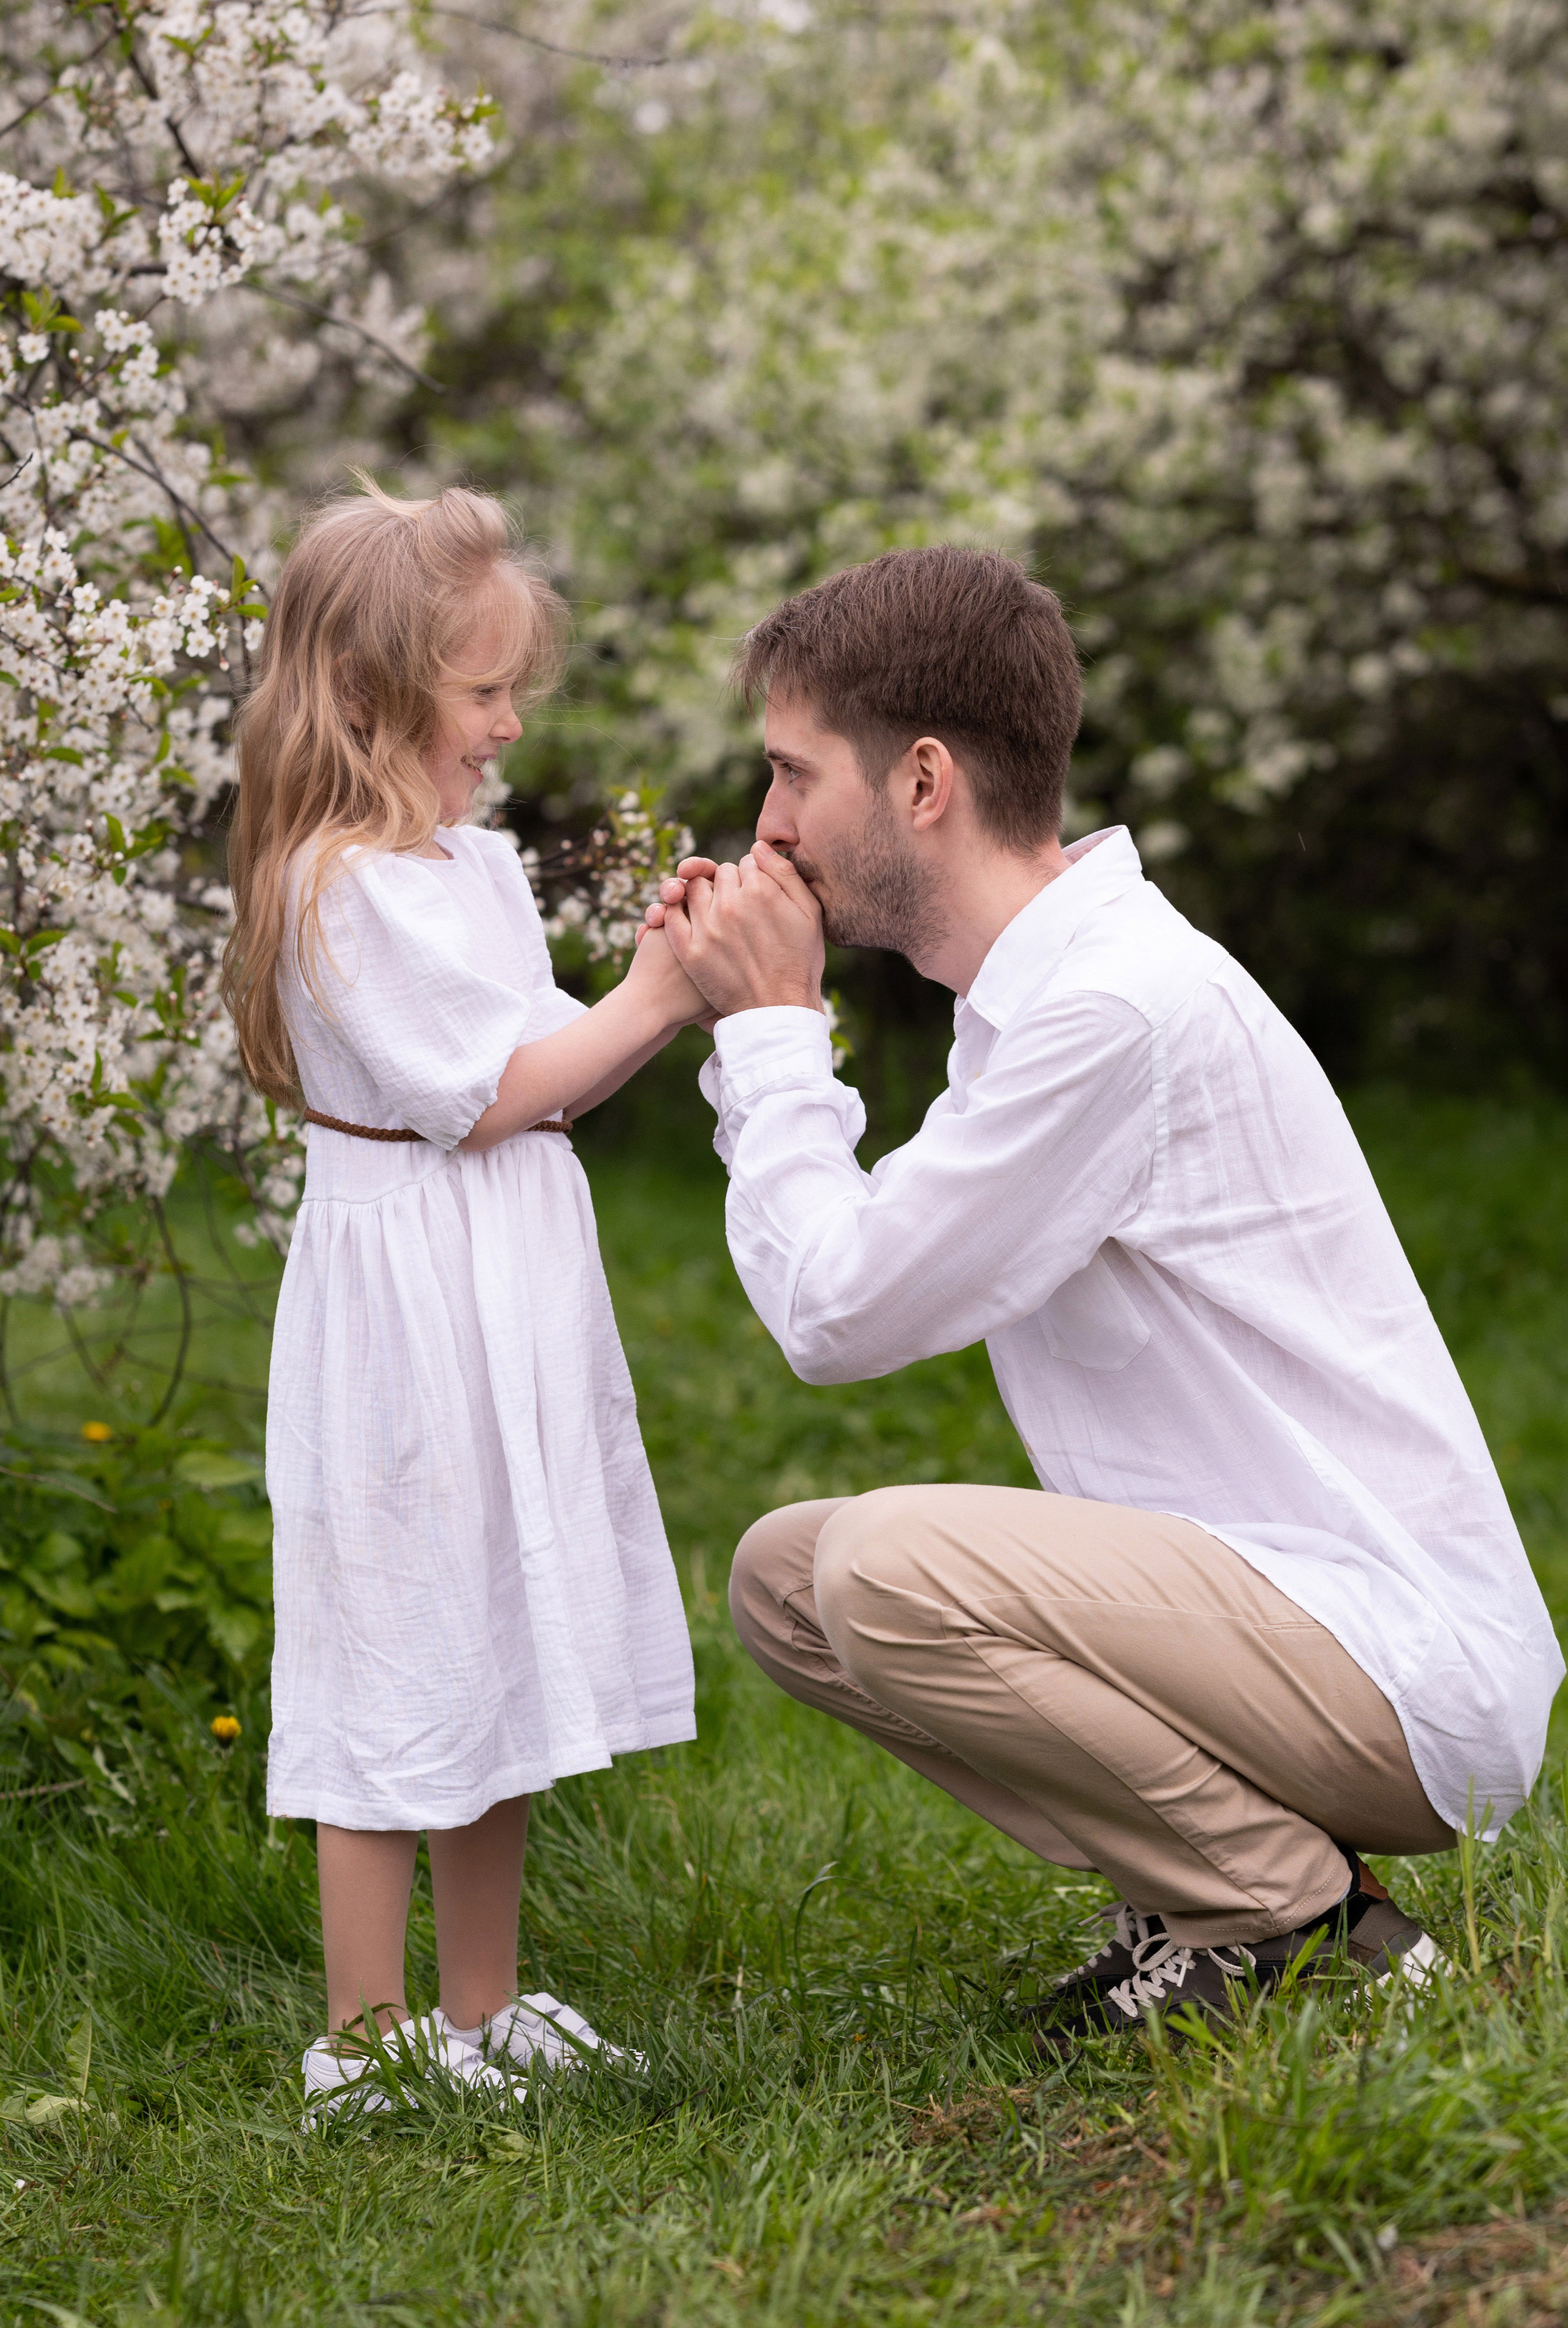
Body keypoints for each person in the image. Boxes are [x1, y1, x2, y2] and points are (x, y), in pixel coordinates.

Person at [650, 544, 1563, 2039]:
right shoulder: (1037, 999)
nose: (767, 823)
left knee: (883, 1571)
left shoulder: (1114, 1013)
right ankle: (1202, 1906)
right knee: (789, 1581)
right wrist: (763, 1036)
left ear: (924, 782)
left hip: (1397, 1665)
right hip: (1270, 1615)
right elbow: (855, 1277)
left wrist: (771, 1033)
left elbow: (839, 1317)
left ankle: (1298, 1923)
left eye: (794, 772)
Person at [223, 476, 704, 2116]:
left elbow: (545, 1072)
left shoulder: (465, 867)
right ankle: (365, 2042)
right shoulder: (336, 889)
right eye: (483, 692)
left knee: (494, 1627)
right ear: (371, 699)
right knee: (397, 1646)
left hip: (502, 1281)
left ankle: (482, 2013)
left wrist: (640, 992)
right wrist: (660, 993)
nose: (508, 724)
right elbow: (491, 1092)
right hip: (411, 1310)